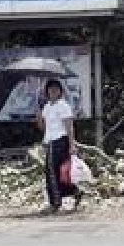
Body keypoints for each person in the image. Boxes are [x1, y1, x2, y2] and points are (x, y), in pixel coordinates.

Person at [35, 79, 82, 213]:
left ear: (60, 92)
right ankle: (75, 192)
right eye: (50, 89)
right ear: (47, 92)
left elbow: (69, 126)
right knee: (61, 172)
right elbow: (43, 128)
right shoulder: (47, 107)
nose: (53, 91)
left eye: (56, 89)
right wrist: (38, 117)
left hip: (60, 141)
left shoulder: (63, 105)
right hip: (50, 141)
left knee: (52, 172)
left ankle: (55, 203)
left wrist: (72, 144)